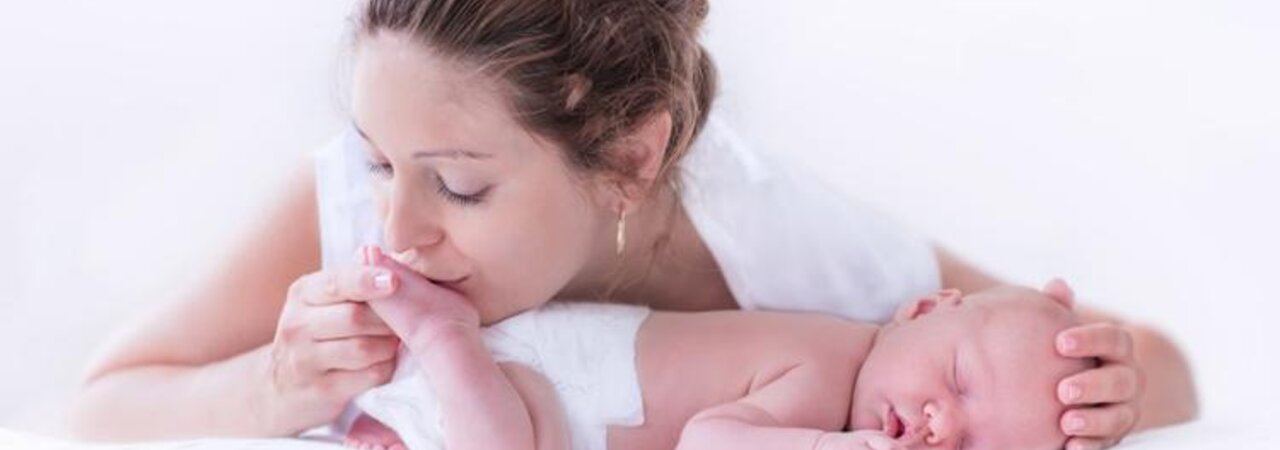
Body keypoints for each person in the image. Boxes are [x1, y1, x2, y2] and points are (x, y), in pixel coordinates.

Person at [67, 1, 1197, 449]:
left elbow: (1162, 370)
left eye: (458, 186)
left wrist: (1120, 383)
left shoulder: (779, 245)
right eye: (376, 160)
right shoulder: (350, 209)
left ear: (628, 158)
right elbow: (95, 411)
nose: (395, 227)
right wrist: (274, 387)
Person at [341, 246, 1092, 450]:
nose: (944, 427)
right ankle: (441, 334)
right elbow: (709, 441)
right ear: (923, 309)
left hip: (540, 410)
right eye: (958, 381)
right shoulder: (831, 373)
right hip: (539, 377)